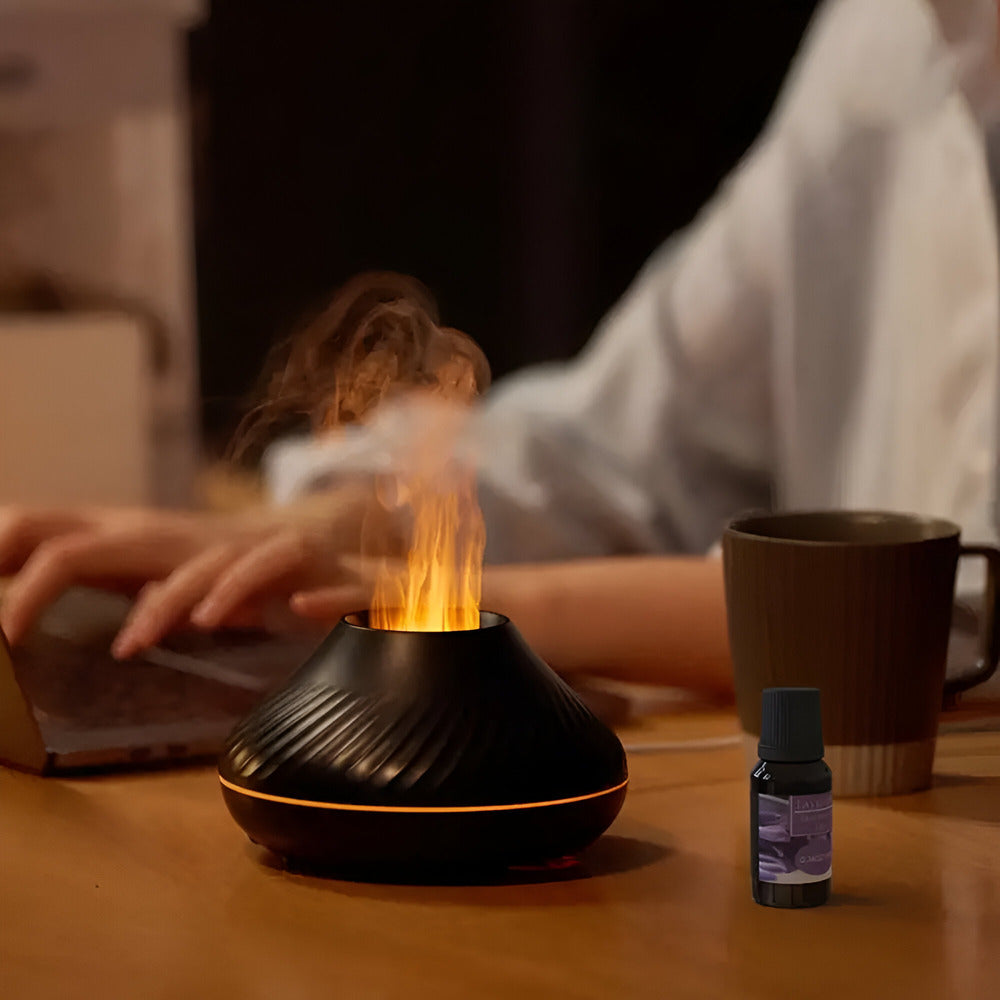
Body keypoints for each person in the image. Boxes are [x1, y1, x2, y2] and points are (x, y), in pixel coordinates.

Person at [0, 0, 996, 697]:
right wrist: (339, 530)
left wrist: (455, 597)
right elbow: (619, 450)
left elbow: (941, 622)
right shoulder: (889, 35)